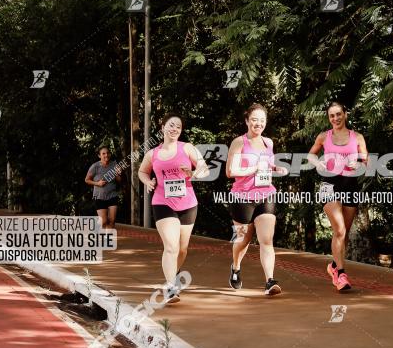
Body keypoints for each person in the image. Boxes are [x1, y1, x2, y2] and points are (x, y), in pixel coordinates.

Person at [137, 114, 209, 304]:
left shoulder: (187, 148)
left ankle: (173, 273)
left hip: (188, 203)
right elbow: (142, 171)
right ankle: (170, 287)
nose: (175, 129)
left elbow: (204, 167)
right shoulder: (152, 153)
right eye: (171, 125)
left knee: (182, 249)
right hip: (162, 202)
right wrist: (148, 181)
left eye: (178, 126)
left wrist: (194, 173)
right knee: (171, 246)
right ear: (162, 127)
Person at [226, 103, 288, 296]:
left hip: (265, 194)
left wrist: (278, 169)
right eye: (254, 120)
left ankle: (269, 281)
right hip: (242, 197)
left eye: (262, 120)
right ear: (247, 121)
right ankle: (235, 267)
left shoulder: (268, 143)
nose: (258, 123)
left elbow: (269, 164)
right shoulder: (239, 142)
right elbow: (230, 171)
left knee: (266, 240)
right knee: (243, 240)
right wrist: (251, 170)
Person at [307, 101, 369, 292]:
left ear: (345, 114)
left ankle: (333, 266)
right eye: (332, 115)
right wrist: (317, 163)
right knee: (340, 230)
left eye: (338, 114)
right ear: (329, 118)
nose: (335, 118)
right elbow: (311, 155)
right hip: (329, 184)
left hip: (350, 184)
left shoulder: (357, 137)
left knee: (344, 233)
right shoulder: (324, 136)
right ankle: (340, 274)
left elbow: (366, 162)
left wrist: (358, 164)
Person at [85, 146, 121, 229]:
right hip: (100, 197)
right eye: (103, 153)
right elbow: (87, 180)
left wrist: (118, 174)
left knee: (112, 220)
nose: (106, 155)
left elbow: (119, 180)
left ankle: (108, 239)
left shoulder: (114, 164)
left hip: (112, 195)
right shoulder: (95, 166)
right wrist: (97, 183)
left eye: (108, 153)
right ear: (99, 155)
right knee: (104, 221)